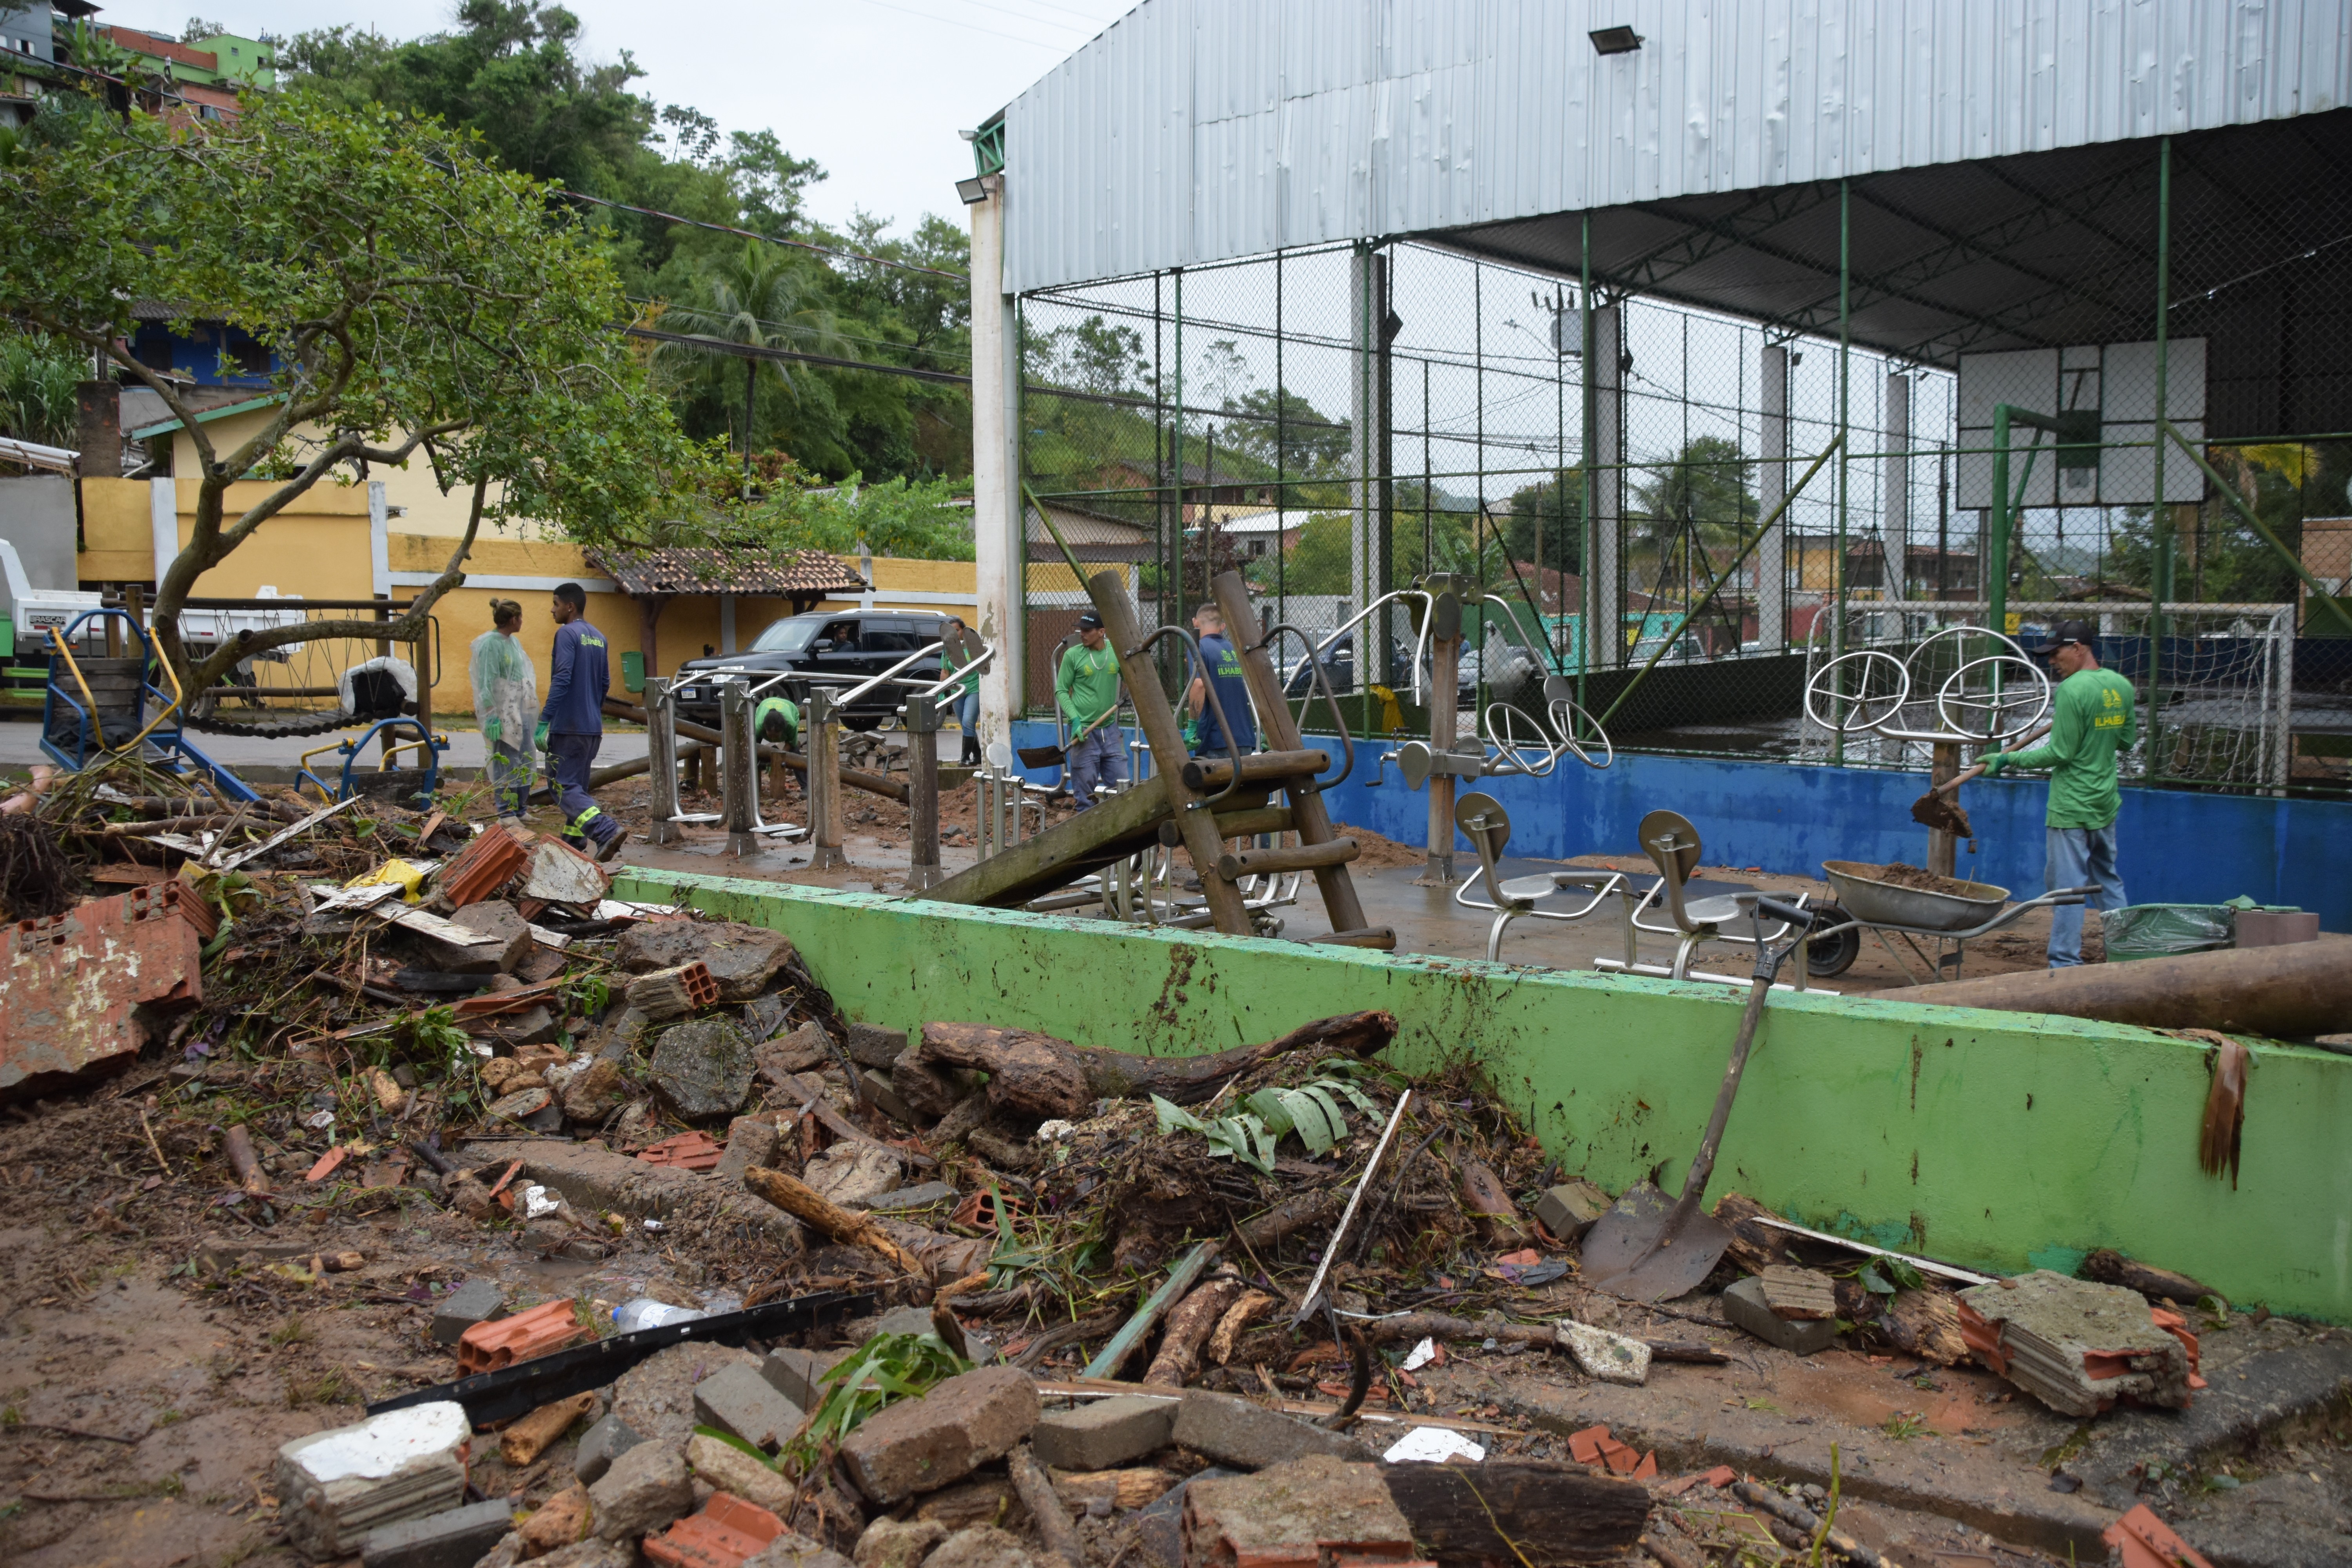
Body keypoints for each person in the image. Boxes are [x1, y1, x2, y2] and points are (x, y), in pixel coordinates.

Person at [1980, 618, 2138, 967]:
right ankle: (2127, 955)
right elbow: (2127, 741)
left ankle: (2065, 962)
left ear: (2079, 649)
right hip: (2105, 802)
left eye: (2057, 654)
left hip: (2071, 806)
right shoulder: (2121, 686)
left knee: (2067, 891)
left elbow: (2060, 753)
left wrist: (2008, 759)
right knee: (2108, 881)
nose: (2052, 662)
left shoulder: (2072, 690)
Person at [537, 581, 626, 862]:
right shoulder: (599, 637)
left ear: (570, 607)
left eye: (556, 604)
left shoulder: (566, 633)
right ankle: (572, 844)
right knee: (577, 787)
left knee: (562, 786)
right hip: (591, 727)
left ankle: (604, 830)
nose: (553, 610)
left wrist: (545, 720)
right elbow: (605, 683)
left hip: (569, 726)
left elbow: (562, 677)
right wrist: (592, 712)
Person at [468, 599, 536, 818]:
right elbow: (486, 681)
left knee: (525, 756)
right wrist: (491, 716)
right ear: (514, 619)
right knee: (505, 760)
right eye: (521, 617)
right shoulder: (490, 644)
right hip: (502, 711)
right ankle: (506, 812)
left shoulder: (513, 643)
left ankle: (521, 808)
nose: (522, 622)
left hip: (519, 708)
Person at [1054, 610, 1126, 807]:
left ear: (1101, 631)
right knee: (1085, 796)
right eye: (1080, 630)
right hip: (1083, 732)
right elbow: (1061, 691)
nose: (1082, 634)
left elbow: (1134, 675)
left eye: (1087, 630)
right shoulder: (1073, 655)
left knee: (1122, 789)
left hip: (1110, 730)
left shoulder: (1116, 651)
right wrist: (1075, 719)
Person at [1184, 602, 1257, 758]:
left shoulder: (1198, 647)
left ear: (1195, 622)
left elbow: (1198, 686)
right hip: (1245, 739)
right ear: (1222, 626)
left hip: (1215, 740)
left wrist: (1192, 727)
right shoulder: (1234, 649)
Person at [942, 615, 985, 766]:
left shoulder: (972, 647)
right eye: (952, 632)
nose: (956, 634)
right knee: (967, 726)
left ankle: (965, 758)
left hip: (973, 689)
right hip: (957, 691)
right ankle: (978, 755)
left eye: (958, 630)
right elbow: (945, 673)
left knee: (968, 722)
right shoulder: (947, 650)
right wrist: (941, 693)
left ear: (963, 631)